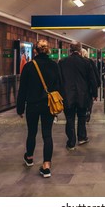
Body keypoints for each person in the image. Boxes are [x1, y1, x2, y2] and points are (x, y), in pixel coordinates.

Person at [16, 39, 61, 178]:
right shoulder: (54, 66)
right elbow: (58, 86)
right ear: (48, 50)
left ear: (35, 50)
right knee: (47, 134)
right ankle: (46, 166)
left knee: (32, 132)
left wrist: (20, 108)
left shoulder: (29, 66)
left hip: (32, 105)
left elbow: (22, 89)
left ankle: (29, 157)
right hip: (48, 104)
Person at [59, 41, 98, 150]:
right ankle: (82, 137)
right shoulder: (86, 62)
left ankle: (71, 142)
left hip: (67, 96)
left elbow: (59, 80)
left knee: (70, 118)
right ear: (80, 50)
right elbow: (92, 79)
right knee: (82, 117)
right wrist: (94, 94)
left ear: (70, 50)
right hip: (83, 95)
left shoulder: (62, 62)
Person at [81, 48, 100, 122]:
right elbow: (95, 75)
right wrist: (96, 89)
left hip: (79, 88)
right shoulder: (90, 62)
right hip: (88, 87)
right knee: (89, 101)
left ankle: (84, 112)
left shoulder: (77, 62)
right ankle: (88, 111)